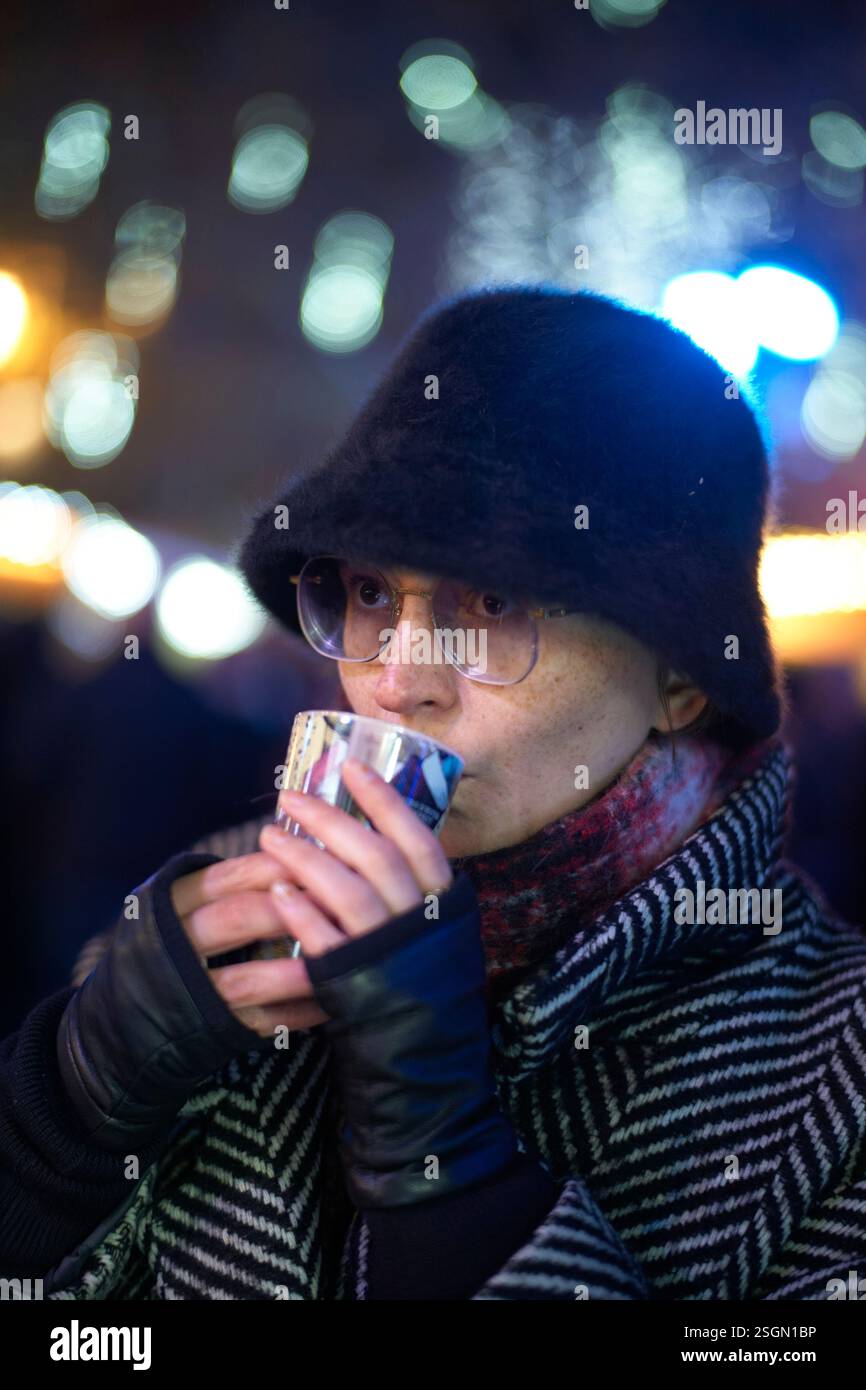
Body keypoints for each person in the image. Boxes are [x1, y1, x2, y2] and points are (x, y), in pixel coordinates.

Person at [2, 284, 866, 1300]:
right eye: (370, 594)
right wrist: (66, 1102)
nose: (397, 676)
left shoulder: (832, 1061)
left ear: (677, 681)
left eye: (490, 605)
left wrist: (448, 1167)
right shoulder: (216, 921)